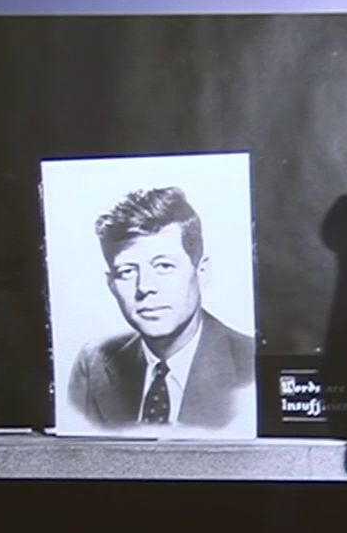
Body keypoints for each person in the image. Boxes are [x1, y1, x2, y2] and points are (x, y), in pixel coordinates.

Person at [65, 186, 256, 434]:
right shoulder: (93, 364)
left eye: (164, 266)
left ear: (201, 272)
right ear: (111, 284)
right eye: (127, 271)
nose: (145, 287)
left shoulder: (251, 365)